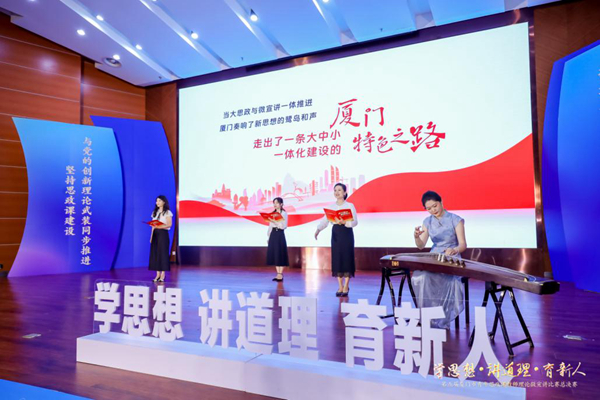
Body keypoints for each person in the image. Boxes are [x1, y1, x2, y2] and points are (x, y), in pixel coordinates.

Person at [413, 190, 467, 328]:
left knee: (444, 279)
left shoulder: (455, 219)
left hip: (451, 257)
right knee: (420, 277)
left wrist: (455, 250)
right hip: (434, 257)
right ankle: (426, 317)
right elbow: (421, 246)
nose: (433, 210)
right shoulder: (427, 221)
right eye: (429, 208)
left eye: (435, 206)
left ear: (441, 201)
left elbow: (463, 245)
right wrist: (416, 237)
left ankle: (443, 318)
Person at [314, 183, 358, 297]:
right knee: (337, 258)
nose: (337, 192)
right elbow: (325, 221)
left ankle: (346, 285)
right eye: (335, 190)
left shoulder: (350, 205)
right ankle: (340, 286)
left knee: (347, 258)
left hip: (346, 233)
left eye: (339, 190)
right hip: (336, 234)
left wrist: (345, 222)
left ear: (345, 192)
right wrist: (318, 229)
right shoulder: (331, 207)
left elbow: (355, 222)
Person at [149, 195, 173, 282]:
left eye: (159, 201)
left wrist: (160, 226)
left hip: (163, 234)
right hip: (155, 234)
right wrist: (151, 236)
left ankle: (163, 274)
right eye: (156, 201)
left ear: (164, 202)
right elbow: (153, 226)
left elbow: (169, 224)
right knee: (155, 254)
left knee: (163, 253)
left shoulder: (167, 212)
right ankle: (157, 274)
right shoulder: (154, 212)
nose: (157, 202)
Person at [267, 197, 289, 282]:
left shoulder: (284, 213)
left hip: (280, 233)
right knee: (275, 253)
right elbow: (270, 226)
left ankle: (280, 274)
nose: (275, 205)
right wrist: (268, 236)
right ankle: (278, 274)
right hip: (273, 234)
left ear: (281, 204)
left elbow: (284, 226)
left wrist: (275, 222)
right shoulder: (272, 213)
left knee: (281, 253)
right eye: (274, 203)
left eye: (276, 203)